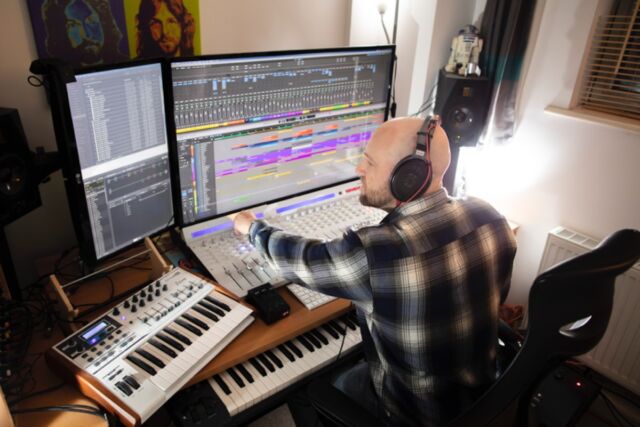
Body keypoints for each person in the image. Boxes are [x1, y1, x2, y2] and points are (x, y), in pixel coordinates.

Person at [233, 117, 517, 425]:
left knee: (323, 385)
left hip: (414, 415)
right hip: (483, 396)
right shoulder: (493, 219)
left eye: (369, 163)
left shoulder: (377, 253)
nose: (359, 170)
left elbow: (300, 260)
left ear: (408, 177)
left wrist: (252, 228)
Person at [41, 0, 128, 67]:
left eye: (92, 21)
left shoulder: (127, 65)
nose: (86, 35)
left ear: (104, 24)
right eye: (73, 25)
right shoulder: (59, 76)